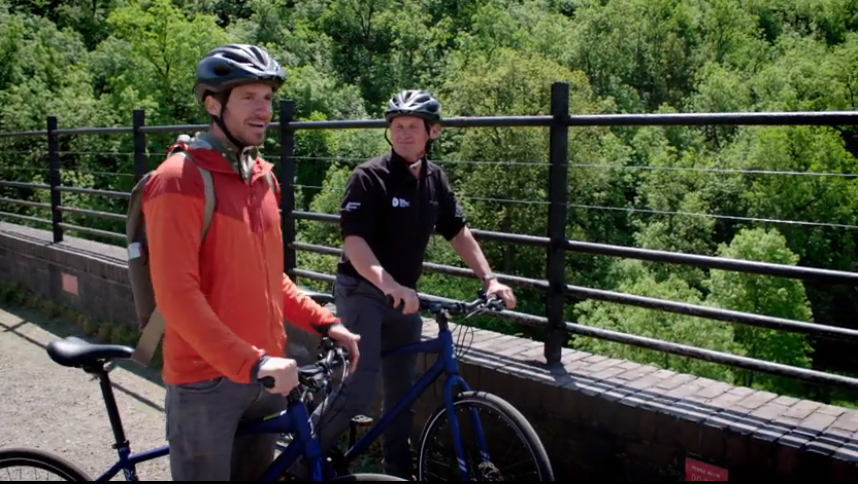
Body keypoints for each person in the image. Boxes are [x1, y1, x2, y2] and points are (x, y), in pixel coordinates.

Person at [142, 43, 361, 481]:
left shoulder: (262, 177)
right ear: (212, 103)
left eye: (268, 98)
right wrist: (253, 363)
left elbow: (269, 277)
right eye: (248, 98)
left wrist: (325, 322)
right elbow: (177, 295)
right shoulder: (178, 181)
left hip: (266, 373)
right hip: (206, 381)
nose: (263, 110)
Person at [310, 89, 517, 479]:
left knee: (403, 394)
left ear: (433, 132)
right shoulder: (369, 177)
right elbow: (354, 243)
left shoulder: (435, 180)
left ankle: (398, 473)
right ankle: (302, 462)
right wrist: (389, 284)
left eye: (412, 127)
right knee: (359, 384)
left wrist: (489, 279)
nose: (403, 133)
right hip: (362, 291)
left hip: (403, 298)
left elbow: (457, 231)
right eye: (397, 126)